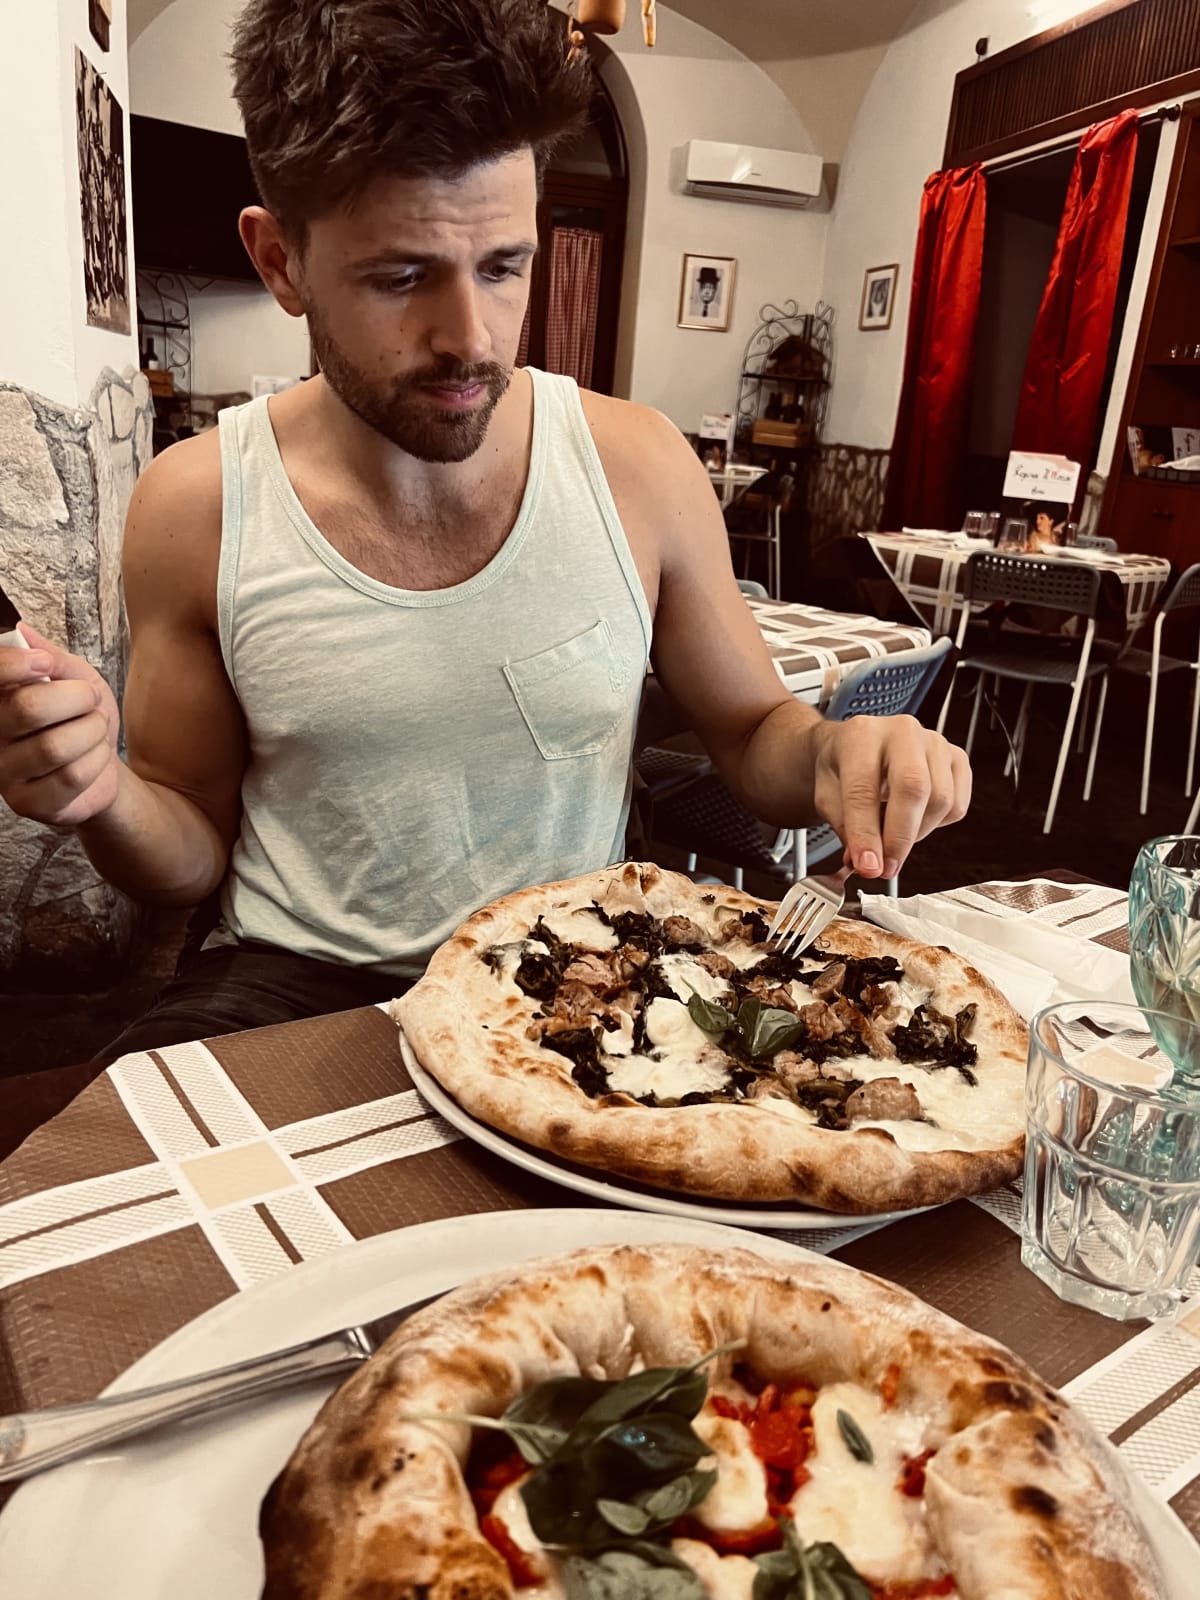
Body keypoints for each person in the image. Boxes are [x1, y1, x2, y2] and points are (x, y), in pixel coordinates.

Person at [0, 0, 971, 1060]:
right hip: (293, 985)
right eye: (401, 276)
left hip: (578, 985)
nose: (470, 339)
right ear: (280, 262)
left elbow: (750, 735)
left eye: (504, 266)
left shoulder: (638, 464)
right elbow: (187, 846)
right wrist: (100, 796)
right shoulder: (196, 504)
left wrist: (837, 747)